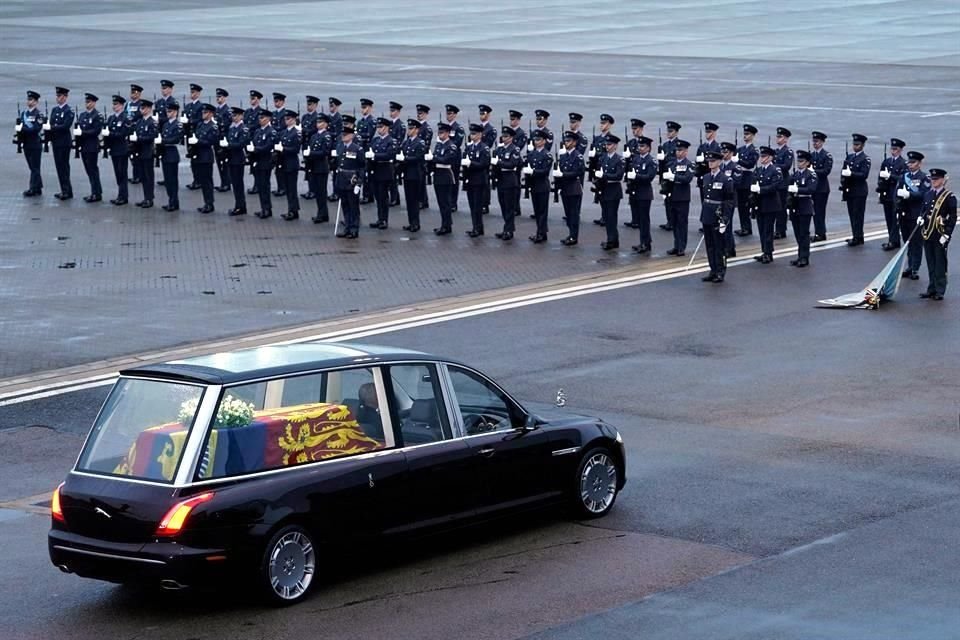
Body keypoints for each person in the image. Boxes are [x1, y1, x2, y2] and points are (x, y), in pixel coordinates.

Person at [919, 169, 956, 300]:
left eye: (936, 179)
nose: (933, 181)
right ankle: (931, 288)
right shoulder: (928, 194)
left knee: (940, 263)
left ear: (942, 180)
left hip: (940, 234)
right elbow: (924, 210)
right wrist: (921, 218)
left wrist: (947, 235)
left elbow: (952, 218)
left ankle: (940, 290)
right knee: (930, 262)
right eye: (932, 179)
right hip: (928, 233)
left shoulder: (949, 197)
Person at [699, 151, 735, 283]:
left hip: (718, 216)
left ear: (719, 162)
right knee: (710, 245)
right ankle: (712, 269)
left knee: (719, 246)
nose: (710, 163)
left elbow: (729, 202)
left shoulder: (726, 179)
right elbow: (705, 198)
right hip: (707, 215)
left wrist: (725, 219)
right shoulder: (706, 177)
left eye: (713, 161)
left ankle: (720, 271)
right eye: (709, 161)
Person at [896, 150, 930, 280]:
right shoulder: (904, 177)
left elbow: (924, 194)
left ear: (919, 164)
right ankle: (909, 266)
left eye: (913, 162)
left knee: (916, 243)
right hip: (905, 213)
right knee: (907, 242)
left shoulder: (924, 178)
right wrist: (897, 207)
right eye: (909, 162)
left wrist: (910, 195)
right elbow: (897, 194)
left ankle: (915, 268)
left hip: (916, 215)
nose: (910, 165)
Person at [750, 146, 783, 263]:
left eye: (764, 156)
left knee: (768, 230)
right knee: (761, 229)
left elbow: (775, 186)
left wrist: (761, 190)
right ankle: (764, 251)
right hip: (759, 204)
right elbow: (753, 181)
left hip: (770, 204)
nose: (762, 158)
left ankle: (768, 253)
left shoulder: (775, 170)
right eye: (761, 156)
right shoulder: (758, 170)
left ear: (770, 157)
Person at [787, 150, 818, 267]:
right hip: (795, 205)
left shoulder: (811, 174)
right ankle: (800, 255)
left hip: (805, 205)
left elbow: (811, 189)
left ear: (807, 163)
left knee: (804, 233)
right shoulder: (794, 175)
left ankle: (804, 257)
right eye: (798, 161)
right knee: (797, 233)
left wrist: (798, 190)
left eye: (802, 161)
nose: (799, 163)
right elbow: (788, 190)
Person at [625, 136, 657, 253]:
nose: (640, 148)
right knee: (638, 219)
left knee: (644, 220)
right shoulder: (636, 159)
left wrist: (636, 177)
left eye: (643, 146)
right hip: (635, 192)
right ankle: (642, 241)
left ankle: (646, 243)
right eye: (639, 146)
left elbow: (649, 177)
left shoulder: (651, 161)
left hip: (644, 194)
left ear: (648, 148)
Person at [366, 117, 398, 229]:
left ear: (387, 128)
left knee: (383, 197)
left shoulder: (391, 141)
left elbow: (390, 155)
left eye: (381, 127)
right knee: (377, 197)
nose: (379, 129)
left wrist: (375, 156)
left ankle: (384, 220)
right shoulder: (375, 140)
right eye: (378, 127)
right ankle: (379, 218)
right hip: (375, 170)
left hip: (385, 170)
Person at [595, 133, 625, 251]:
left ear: (615, 146)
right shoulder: (603, 158)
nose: (607, 146)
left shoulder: (619, 159)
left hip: (613, 191)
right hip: (604, 190)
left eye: (610, 144)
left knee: (612, 217)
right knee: (607, 217)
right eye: (606, 144)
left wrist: (604, 176)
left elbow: (618, 176)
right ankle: (610, 239)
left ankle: (613, 240)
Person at [841, 133, 872, 246]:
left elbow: (864, 175)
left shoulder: (865, 159)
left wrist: (851, 174)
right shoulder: (849, 157)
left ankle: (859, 237)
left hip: (859, 191)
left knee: (858, 214)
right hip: (850, 190)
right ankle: (855, 235)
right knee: (852, 214)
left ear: (862, 145)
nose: (855, 146)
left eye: (858, 144)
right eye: (854, 144)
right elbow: (844, 171)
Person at [664, 139, 694, 256]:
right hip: (672, 196)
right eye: (677, 150)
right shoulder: (672, 163)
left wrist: (674, 177)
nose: (678, 152)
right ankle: (676, 245)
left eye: (681, 150)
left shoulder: (688, 164)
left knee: (682, 223)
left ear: (686, 151)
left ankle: (682, 247)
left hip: (682, 197)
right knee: (674, 222)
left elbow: (687, 178)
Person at [334, 121, 364, 238]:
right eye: (343, 134)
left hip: (352, 180)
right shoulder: (340, 147)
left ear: (351, 136)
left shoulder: (357, 149)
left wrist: (359, 183)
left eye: (346, 135)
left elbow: (361, 167)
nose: (343, 136)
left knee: (353, 206)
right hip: (342, 179)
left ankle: (354, 229)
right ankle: (347, 227)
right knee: (345, 205)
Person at [556, 130, 585, 246]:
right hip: (565, 188)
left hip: (574, 188)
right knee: (568, 213)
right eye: (565, 141)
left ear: (574, 142)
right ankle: (570, 233)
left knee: (573, 214)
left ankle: (574, 236)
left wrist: (563, 175)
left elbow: (578, 172)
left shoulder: (578, 156)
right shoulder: (563, 156)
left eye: (568, 141)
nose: (566, 143)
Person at [461, 123, 491, 237]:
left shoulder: (484, 148)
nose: (472, 136)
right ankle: (475, 227)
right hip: (470, 180)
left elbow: (484, 164)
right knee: (472, 205)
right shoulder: (469, 147)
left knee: (477, 206)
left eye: (474, 134)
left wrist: (471, 163)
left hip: (479, 180)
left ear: (480, 135)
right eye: (471, 134)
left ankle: (478, 228)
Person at [431, 122, 460, 235]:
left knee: (446, 203)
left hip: (446, 175)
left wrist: (434, 159)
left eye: (442, 132)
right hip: (438, 175)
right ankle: (445, 223)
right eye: (439, 132)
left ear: (448, 133)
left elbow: (447, 160)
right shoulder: (439, 145)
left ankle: (447, 225)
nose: (440, 134)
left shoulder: (451, 146)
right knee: (440, 202)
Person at [878, 137, 907, 250]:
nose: (893, 151)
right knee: (888, 218)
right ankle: (891, 239)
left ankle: (894, 241)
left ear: (900, 150)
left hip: (896, 194)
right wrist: (880, 191)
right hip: (886, 193)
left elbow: (902, 178)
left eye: (895, 149)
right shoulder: (886, 162)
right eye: (892, 149)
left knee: (895, 219)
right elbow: (880, 177)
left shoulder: (903, 163)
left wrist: (890, 176)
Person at [493, 126, 522, 241]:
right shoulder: (500, 149)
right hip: (501, 179)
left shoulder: (515, 149)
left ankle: (509, 230)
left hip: (510, 179)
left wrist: (499, 162)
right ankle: (507, 228)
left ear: (511, 138)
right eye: (503, 136)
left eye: (506, 136)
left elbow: (512, 164)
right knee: (503, 206)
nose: (504, 138)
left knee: (509, 207)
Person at [398, 119, 427, 232]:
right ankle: (411, 222)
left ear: (417, 130)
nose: (408, 131)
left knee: (414, 200)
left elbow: (418, 158)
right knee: (409, 200)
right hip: (407, 174)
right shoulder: (406, 143)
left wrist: (405, 159)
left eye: (411, 129)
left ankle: (416, 223)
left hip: (415, 174)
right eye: (408, 128)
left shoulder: (420, 143)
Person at [304, 113, 334, 223]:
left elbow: (325, 152)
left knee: (321, 192)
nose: (318, 124)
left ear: (326, 124)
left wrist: (311, 153)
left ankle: (323, 214)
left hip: (322, 167)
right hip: (314, 166)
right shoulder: (314, 136)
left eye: (321, 122)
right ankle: (321, 213)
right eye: (317, 122)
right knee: (317, 192)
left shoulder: (326, 136)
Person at [523, 129, 552, 242]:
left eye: (539, 139)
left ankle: (541, 233)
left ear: (544, 141)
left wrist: (533, 172)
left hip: (542, 185)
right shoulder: (531, 154)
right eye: (535, 139)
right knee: (536, 210)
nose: (536, 141)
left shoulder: (547, 155)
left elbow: (545, 171)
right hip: (534, 185)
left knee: (542, 211)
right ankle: (540, 232)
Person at [48, 86, 74, 200]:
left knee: (64, 166)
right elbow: (51, 122)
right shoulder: (55, 110)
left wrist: (52, 127)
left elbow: (65, 126)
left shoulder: (69, 111)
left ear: (65, 97)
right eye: (57, 96)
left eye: (60, 96)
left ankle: (67, 191)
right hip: (56, 142)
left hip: (64, 142)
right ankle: (64, 189)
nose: (58, 98)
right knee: (59, 167)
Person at [250, 108, 277, 219]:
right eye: (259, 118)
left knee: (265, 186)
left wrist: (256, 149)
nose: (260, 120)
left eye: (262, 118)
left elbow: (269, 146)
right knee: (260, 186)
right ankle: (263, 208)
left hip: (266, 161)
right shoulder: (258, 131)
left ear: (268, 118)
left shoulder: (271, 131)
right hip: (258, 161)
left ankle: (267, 209)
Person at [192, 103, 219, 213]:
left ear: (211, 114)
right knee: (203, 181)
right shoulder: (200, 125)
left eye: (205, 112)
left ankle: (210, 203)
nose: (203, 114)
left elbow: (211, 141)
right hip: (198, 155)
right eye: (202, 112)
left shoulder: (213, 126)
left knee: (207, 181)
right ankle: (206, 202)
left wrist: (198, 141)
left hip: (206, 156)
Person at [130, 99, 158, 208]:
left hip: (147, 152)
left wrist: (139, 139)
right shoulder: (140, 122)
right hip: (139, 152)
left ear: (150, 109)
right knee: (143, 176)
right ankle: (146, 197)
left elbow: (152, 136)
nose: (142, 110)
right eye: (141, 108)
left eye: (144, 108)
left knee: (148, 176)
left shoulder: (152, 122)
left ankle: (150, 198)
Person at [224, 106, 250, 216]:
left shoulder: (243, 129)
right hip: (231, 158)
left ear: (240, 116)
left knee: (238, 184)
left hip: (238, 159)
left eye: (235, 115)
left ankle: (241, 206)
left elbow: (241, 144)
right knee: (234, 184)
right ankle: (238, 205)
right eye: (232, 115)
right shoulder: (232, 128)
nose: (233, 118)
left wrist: (229, 145)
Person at [104, 95, 130, 205]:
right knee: (117, 173)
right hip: (114, 149)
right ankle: (120, 195)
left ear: (122, 106)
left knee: (122, 173)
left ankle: (123, 196)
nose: (114, 106)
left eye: (116, 104)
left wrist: (110, 134)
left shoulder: (125, 118)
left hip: (122, 149)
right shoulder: (111, 118)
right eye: (113, 104)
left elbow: (122, 134)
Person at [734, 124, 759, 237]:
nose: (745, 136)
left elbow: (750, 165)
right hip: (739, 178)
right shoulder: (740, 149)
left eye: (747, 134)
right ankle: (743, 226)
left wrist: (738, 160)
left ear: (753, 136)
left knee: (745, 205)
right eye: (744, 134)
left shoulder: (754, 150)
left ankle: (747, 228)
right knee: (740, 205)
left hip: (747, 179)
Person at [19, 90, 45, 197]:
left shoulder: (38, 114)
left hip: (35, 144)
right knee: (32, 166)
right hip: (26, 143)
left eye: (31, 100)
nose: (29, 102)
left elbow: (35, 129)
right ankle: (38, 187)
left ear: (36, 102)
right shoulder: (24, 114)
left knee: (35, 167)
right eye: (28, 100)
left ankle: (33, 188)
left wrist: (23, 128)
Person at [159, 101, 183, 212]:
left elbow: (175, 139)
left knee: (173, 180)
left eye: (170, 111)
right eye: (167, 111)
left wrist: (162, 141)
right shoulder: (166, 124)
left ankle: (174, 202)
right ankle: (170, 201)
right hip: (165, 154)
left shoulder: (177, 125)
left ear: (175, 112)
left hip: (172, 153)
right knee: (167, 180)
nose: (168, 113)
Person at [809, 130, 833, 241]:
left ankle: (821, 233)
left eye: (817, 141)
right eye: (814, 141)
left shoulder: (826, 156)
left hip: (822, 188)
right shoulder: (811, 155)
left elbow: (826, 171)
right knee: (814, 211)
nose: (815, 143)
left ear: (822, 142)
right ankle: (818, 232)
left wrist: (813, 171)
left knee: (819, 211)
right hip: (813, 188)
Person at [278, 109, 302, 220]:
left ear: (293, 120)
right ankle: (290, 209)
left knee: (292, 189)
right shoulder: (284, 132)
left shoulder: (296, 133)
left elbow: (295, 149)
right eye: (285, 119)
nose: (286, 121)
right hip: (284, 163)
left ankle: (294, 211)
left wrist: (283, 149)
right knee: (287, 189)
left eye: (288, 119)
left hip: (292, 163)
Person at [658, 120, 681, 230]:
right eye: (668, 131)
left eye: (671, 131)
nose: (669, 133)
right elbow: (661, 163)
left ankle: (674, 221)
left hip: (673, 175)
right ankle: (669, 221)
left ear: (676, 132)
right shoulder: (665, 145)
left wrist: (666, 159)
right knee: (666, 199)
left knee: (674, 200)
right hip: (665, 175)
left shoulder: (678, 145)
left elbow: (677, 160)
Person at [773, 127, 794, 239]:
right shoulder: (775, 152)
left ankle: (781, 230)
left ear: (786, 139)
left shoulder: (788, 151)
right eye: (777, 136)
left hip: (783, 183)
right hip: (776, 182)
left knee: (781, 208)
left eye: (780, 136)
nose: (778, 138)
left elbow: (787, 166)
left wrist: (774, 166)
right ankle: (777, 229)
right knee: (776, 207)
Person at [183, 84, 204, 191]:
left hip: (196, 135)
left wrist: (190, 121)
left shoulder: (201, 106)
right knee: (192, 157)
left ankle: (199, 180)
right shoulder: (188, 106)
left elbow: (201, 120)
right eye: (191, 92)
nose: (192, 94)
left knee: (197, 158)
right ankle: (195, 179)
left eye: (194, 92)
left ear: (199, 93)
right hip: (189, 135)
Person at [213, 88, 232, 193]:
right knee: (219, 161)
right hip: (217, 139)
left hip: (224, 139)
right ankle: (223, 182)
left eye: (220, 97)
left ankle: (227, 183)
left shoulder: (227, 111)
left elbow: (228, 126)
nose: (218, 99)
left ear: (225, 98)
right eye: (217, 97)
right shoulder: (216, 110)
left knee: (225, 162)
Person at [126, 84, 143, 184]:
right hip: (129, 131)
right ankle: (135, 174)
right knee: (131, 154)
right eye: (132, 92)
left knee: (137, 154)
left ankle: (138, 175)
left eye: (135, 92)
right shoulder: (128, 104)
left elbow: (138, 116)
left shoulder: (141, 104)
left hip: (136, 132)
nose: (133, 94)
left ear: (139, 94)